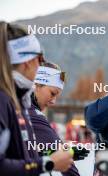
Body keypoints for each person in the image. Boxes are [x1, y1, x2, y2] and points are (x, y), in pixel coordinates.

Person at [0, 21, 73, 175]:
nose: (41, 65)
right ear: (28, 61)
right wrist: (48, 163)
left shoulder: (19, 100)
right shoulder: (4, 99)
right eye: (41, 58)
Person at [28, 61, 87, 176]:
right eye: (52, 93)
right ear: (37, 85)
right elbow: (70, 170)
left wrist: (50, 153)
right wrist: (62, 154)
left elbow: (22, 153)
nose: (54, 101)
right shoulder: (32, 114)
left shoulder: (16, 106)